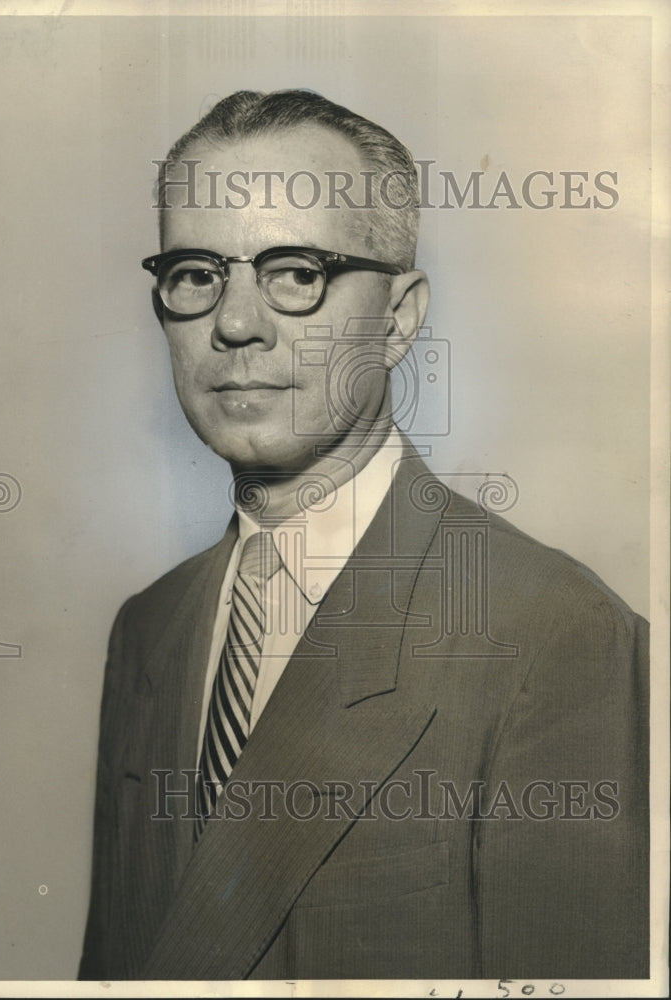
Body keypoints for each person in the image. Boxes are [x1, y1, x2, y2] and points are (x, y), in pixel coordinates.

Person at [78, 89, 648, 982]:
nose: (234, 323)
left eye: (296, 272)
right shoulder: (149, 627)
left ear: (400, 317)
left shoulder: (555, 632)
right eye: (196, 272)